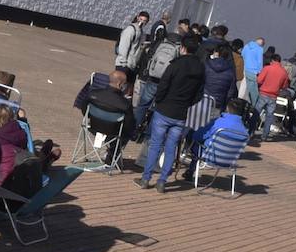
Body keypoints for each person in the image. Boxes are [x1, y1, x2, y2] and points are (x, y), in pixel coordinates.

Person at [135, 34, 205, 192]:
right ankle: (162, 181)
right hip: (181, 113)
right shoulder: (200, 68)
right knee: (171, 147)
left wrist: (159, 101)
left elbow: (163, 86)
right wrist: (187, 103)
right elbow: (199, 94)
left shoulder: (175, 65)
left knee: (155, 145)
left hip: (164, 109)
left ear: (183, 48)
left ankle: (146, 178)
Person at [76, 69, 136, 164]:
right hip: (113, 132)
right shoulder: (125, 104)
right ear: (120, 84)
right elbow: (129, 124)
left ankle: (80, 157)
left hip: (93, 127)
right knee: (126, 133)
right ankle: (111, 157)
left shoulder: (93, 94)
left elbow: (84, 110)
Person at [254, 52, 291, 142]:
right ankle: (264, 136)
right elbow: (284, 86)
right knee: (269, 117)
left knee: (256, 113)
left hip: (263, 93)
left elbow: (259, 80)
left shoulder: (267, 68)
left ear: (272, 60)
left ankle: (250, 132)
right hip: (274, 96)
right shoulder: (284, 72)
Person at [114, 11, 150, 79]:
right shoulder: (130, 30)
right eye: (141, 19)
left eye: (144, 21)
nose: (142, 22)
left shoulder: (142, 33)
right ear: (137, 18)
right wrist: (123, 63)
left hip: (133, 66)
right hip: (124, 65)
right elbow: (124, 47)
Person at [240, 36, 264, 109]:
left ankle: (240, 100)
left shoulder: (247, 46)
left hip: (245, 68)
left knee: (243, 87)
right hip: (253, 71)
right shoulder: (260, 49)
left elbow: (242, 55)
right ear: (262, 44)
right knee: (253, 93)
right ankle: (251, 107)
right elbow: (260, 62)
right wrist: (260, 72)